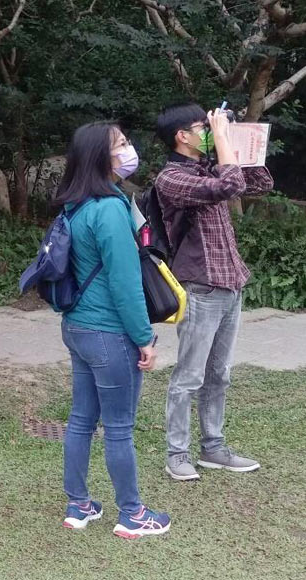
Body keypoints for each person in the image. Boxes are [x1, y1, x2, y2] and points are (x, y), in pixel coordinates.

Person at [54, 121, 170, 539]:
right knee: (119, 427)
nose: (129, 149)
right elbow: (125, 283)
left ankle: (78, 504)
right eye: (121, 144)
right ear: (102, 157)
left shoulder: (77, 204)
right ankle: (133, 514)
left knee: (82, 419)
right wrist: (144, 338)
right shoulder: (109, 208)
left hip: (78, 327)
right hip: (109, 333)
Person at [155, 104, 274, 481]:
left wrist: (235, 141)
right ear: (182, 136)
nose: (208, 132)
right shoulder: (171, 178)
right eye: (201, 128)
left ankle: (214, 448)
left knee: (218, 374)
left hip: (230, 284)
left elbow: (258, 183)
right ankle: (177, 454)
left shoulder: (209, 165)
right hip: (200, 287)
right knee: (189, 376)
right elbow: (230, 186)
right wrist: (221, 138)